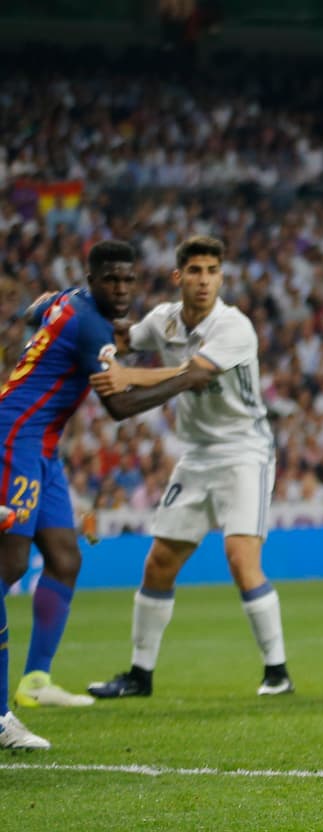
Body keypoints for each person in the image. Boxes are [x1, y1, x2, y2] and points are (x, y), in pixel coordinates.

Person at [86, 235, 292, 700]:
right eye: (195, 271)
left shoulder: (234, 327)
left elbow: (194, 375)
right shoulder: (164, 320)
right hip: (197, 455)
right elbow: (122, 338)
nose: (204, 281)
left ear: (221, 277)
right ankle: (140, 676)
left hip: (245, 451)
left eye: (212, 272)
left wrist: (127, 377)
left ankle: (277, 672)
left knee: (241, 558)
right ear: (178, 276)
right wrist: (80, 321)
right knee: (159, 562)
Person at [0, 241, 151, 748]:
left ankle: (35, 682)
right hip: (15, 437)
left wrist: (42, 311)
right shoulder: (89, 323)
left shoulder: (70, 299)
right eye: (112, 279)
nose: (122, 288)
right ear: (93, 279)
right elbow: (119, 407)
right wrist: (186, 377)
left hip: (42, 447)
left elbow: (37, 310)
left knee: (64, 559)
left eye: (128, 279)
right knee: (8, 565)